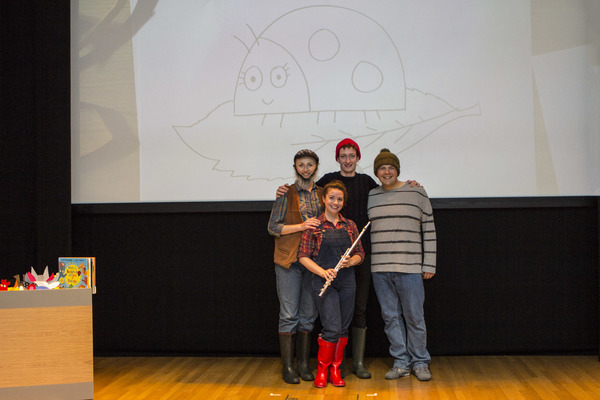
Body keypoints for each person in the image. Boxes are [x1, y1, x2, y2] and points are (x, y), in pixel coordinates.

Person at [277, 138, 420, 379]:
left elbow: (389, 187)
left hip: (357, 255)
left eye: (351, 155)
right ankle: (331, 365)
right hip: (327, 260)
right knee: (328, 314)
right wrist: (285, 190)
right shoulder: (326, 183)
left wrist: (409, 184)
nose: (347, 160)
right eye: (343, 155)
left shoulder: (367, 182)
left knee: (360, 310)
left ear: (358, 157)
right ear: (337, 158)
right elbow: (305, 186)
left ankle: (359, 363)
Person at [367, 148, 437, 382]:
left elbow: (429, 230)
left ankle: (420, 361)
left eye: (390, 167)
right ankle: (401, 362)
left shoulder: (417, 192)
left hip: (410, 267)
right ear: (377, 172)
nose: (386, 171)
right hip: (380, 268)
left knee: (415, 317)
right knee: (390, 318)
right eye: (382, 168)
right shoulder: (371, 196)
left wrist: (429, 264)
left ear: (397, 169)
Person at [298, 180, 365, 388]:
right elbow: (303, 256)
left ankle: (336, 370)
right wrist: (322, 272)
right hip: (322, 280)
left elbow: (360, 254)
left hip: (347, 281)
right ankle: (322, 370)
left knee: (343, 328)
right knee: (332, 327)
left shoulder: (351, 225)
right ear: (324, 199)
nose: (335, 202)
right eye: (332, 198)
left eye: (340, 199)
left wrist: (350, 261)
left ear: (343, 202)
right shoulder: (315, 226)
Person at [267, 149, 323, 384]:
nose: (306, 169)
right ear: (295, 168)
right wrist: (302, 226)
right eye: (301, 165)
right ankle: (288, 367)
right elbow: (273, 227)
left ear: (316, 168)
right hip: (288, 261)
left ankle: (303, 365)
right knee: (289, 315)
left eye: (310, 165)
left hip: (313, 262)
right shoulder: (285, 193)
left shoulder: (323, 194)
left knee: (308, 316)